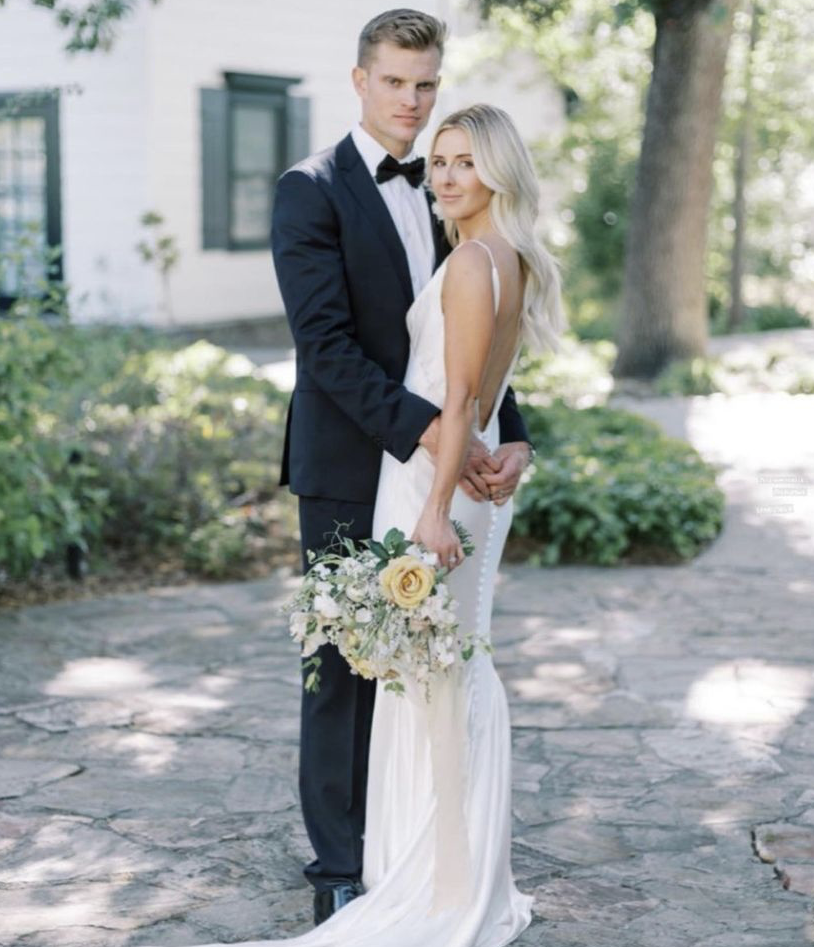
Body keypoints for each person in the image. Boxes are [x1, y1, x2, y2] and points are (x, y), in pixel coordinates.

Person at [270, 7, 533, 929]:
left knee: (424, 659)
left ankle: (412, 843)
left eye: (426, 84)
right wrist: (436, 437)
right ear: (359, 80)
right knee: (342, 666)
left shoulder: (448, 187)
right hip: (349, 462)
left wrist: (515, 429)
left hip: (444, 457)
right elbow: (328, 349)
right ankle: (340, 865)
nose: (413, 103)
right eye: (395, 82)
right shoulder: (309, 189)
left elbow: (471, 341)